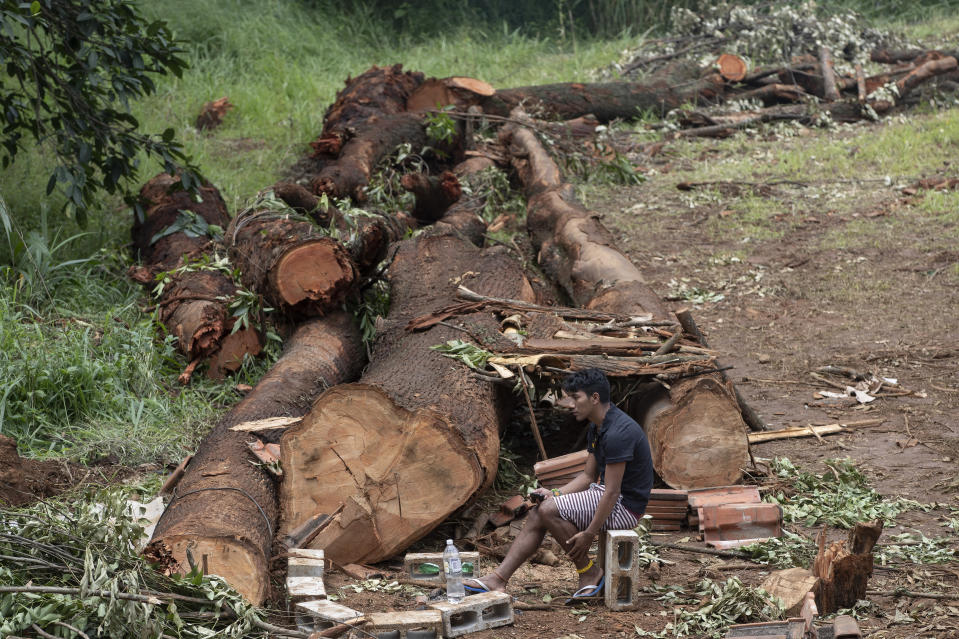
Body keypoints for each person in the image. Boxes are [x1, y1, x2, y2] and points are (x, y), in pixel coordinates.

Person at [464, 368, 653, 600]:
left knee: (548, 510)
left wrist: (589, 533)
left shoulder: (618, 433)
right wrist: (554, 492)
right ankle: (498, 579)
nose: (569, 404)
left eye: (576, 397)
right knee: (539, 511)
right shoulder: (598, 426)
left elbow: (613, 492)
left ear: (595, 398)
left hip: (626, 506)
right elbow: (587, 477)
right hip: (605, 494)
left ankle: (589, 572)